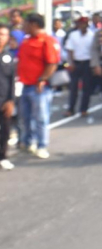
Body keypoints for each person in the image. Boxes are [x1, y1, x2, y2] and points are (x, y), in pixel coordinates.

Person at [17, 13, 58, 159]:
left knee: (41, 117)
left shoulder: (47, 41)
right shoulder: (26, 41)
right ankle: (29, 142)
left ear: (34, 24)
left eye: (26, 24)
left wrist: (42, 79)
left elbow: (52, 63)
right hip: (25, 84)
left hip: (39, 87)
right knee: (25, 117)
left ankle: (42, 145)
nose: (23, 26)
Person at [64, 16, 95, 117]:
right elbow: (70, 50)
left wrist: (93, 65)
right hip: (76, 63)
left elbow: (94, 52)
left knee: (87, 88)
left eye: (84, 24)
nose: (83, 26)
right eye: (81, 24)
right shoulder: (73, 35)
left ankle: (84, 109)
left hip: (87, 63)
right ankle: (71, 109)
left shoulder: (91, 35)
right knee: (73, 88)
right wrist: (71, 63)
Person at [0, 24, 16, 170]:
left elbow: (11, 80)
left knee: (5, 130)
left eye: (4, 34)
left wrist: (11, 100)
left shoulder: (8, 56)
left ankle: (3, 156)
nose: (1, 37)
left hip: (4, 100)